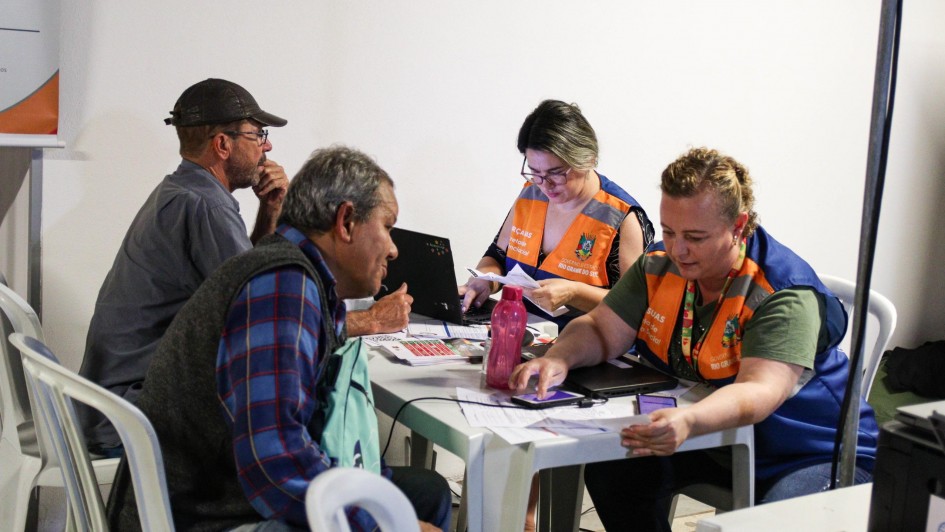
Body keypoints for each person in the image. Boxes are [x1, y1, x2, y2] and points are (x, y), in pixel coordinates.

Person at [510, 147, 879, 531]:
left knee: (771, 526)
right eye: (669, 231)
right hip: (721, 440)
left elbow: (758, 391)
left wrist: (689, 420)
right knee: (614, 474)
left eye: (695, 237)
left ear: (738, 226)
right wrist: (559, 358)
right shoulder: (659, 264)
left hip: (811, 453)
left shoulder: (781, 294)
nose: (677, 249)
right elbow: (601, 329)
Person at [106, 146, 451, 531]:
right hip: (206, 514)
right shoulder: (284, 284)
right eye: (387, 226)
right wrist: (375, 525)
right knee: (395, 512)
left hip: (213, 487)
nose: (393, 248)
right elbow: (275, 461)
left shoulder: (287, 269)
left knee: (425, 493)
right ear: (347, 221)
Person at [79, 79, 412, 456]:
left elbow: (241, 278)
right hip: (133, 415)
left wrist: (271, 209)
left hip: (110, 401)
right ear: (223, 144)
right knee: (300, 428)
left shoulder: (182, 191)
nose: (267, 146)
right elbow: (264, 317)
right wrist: (370, 321)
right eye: (258, 135)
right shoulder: (206, 206)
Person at [460, 99, 654, 330]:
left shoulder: (621, 216)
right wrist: (484, 281)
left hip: (586, 345)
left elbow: (636, 307)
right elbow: (498, 257)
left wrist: (575, 292)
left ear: (588, 159)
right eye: (535, 172)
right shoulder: (531, 195)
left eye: (557, 173)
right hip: (521, 331)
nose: (545, 185)